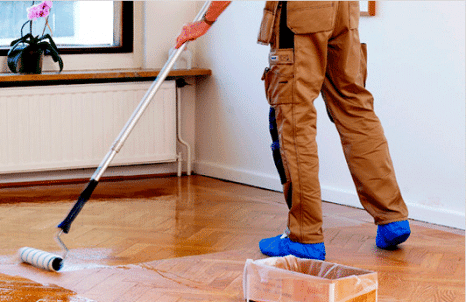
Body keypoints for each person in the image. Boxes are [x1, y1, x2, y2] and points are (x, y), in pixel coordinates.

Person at [176, 1, 411, 260]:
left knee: (295, 118)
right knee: (356, 110)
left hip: (301, 14)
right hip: (344, 11)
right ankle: (392, 219)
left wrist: (206, 21)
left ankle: (304, 236)